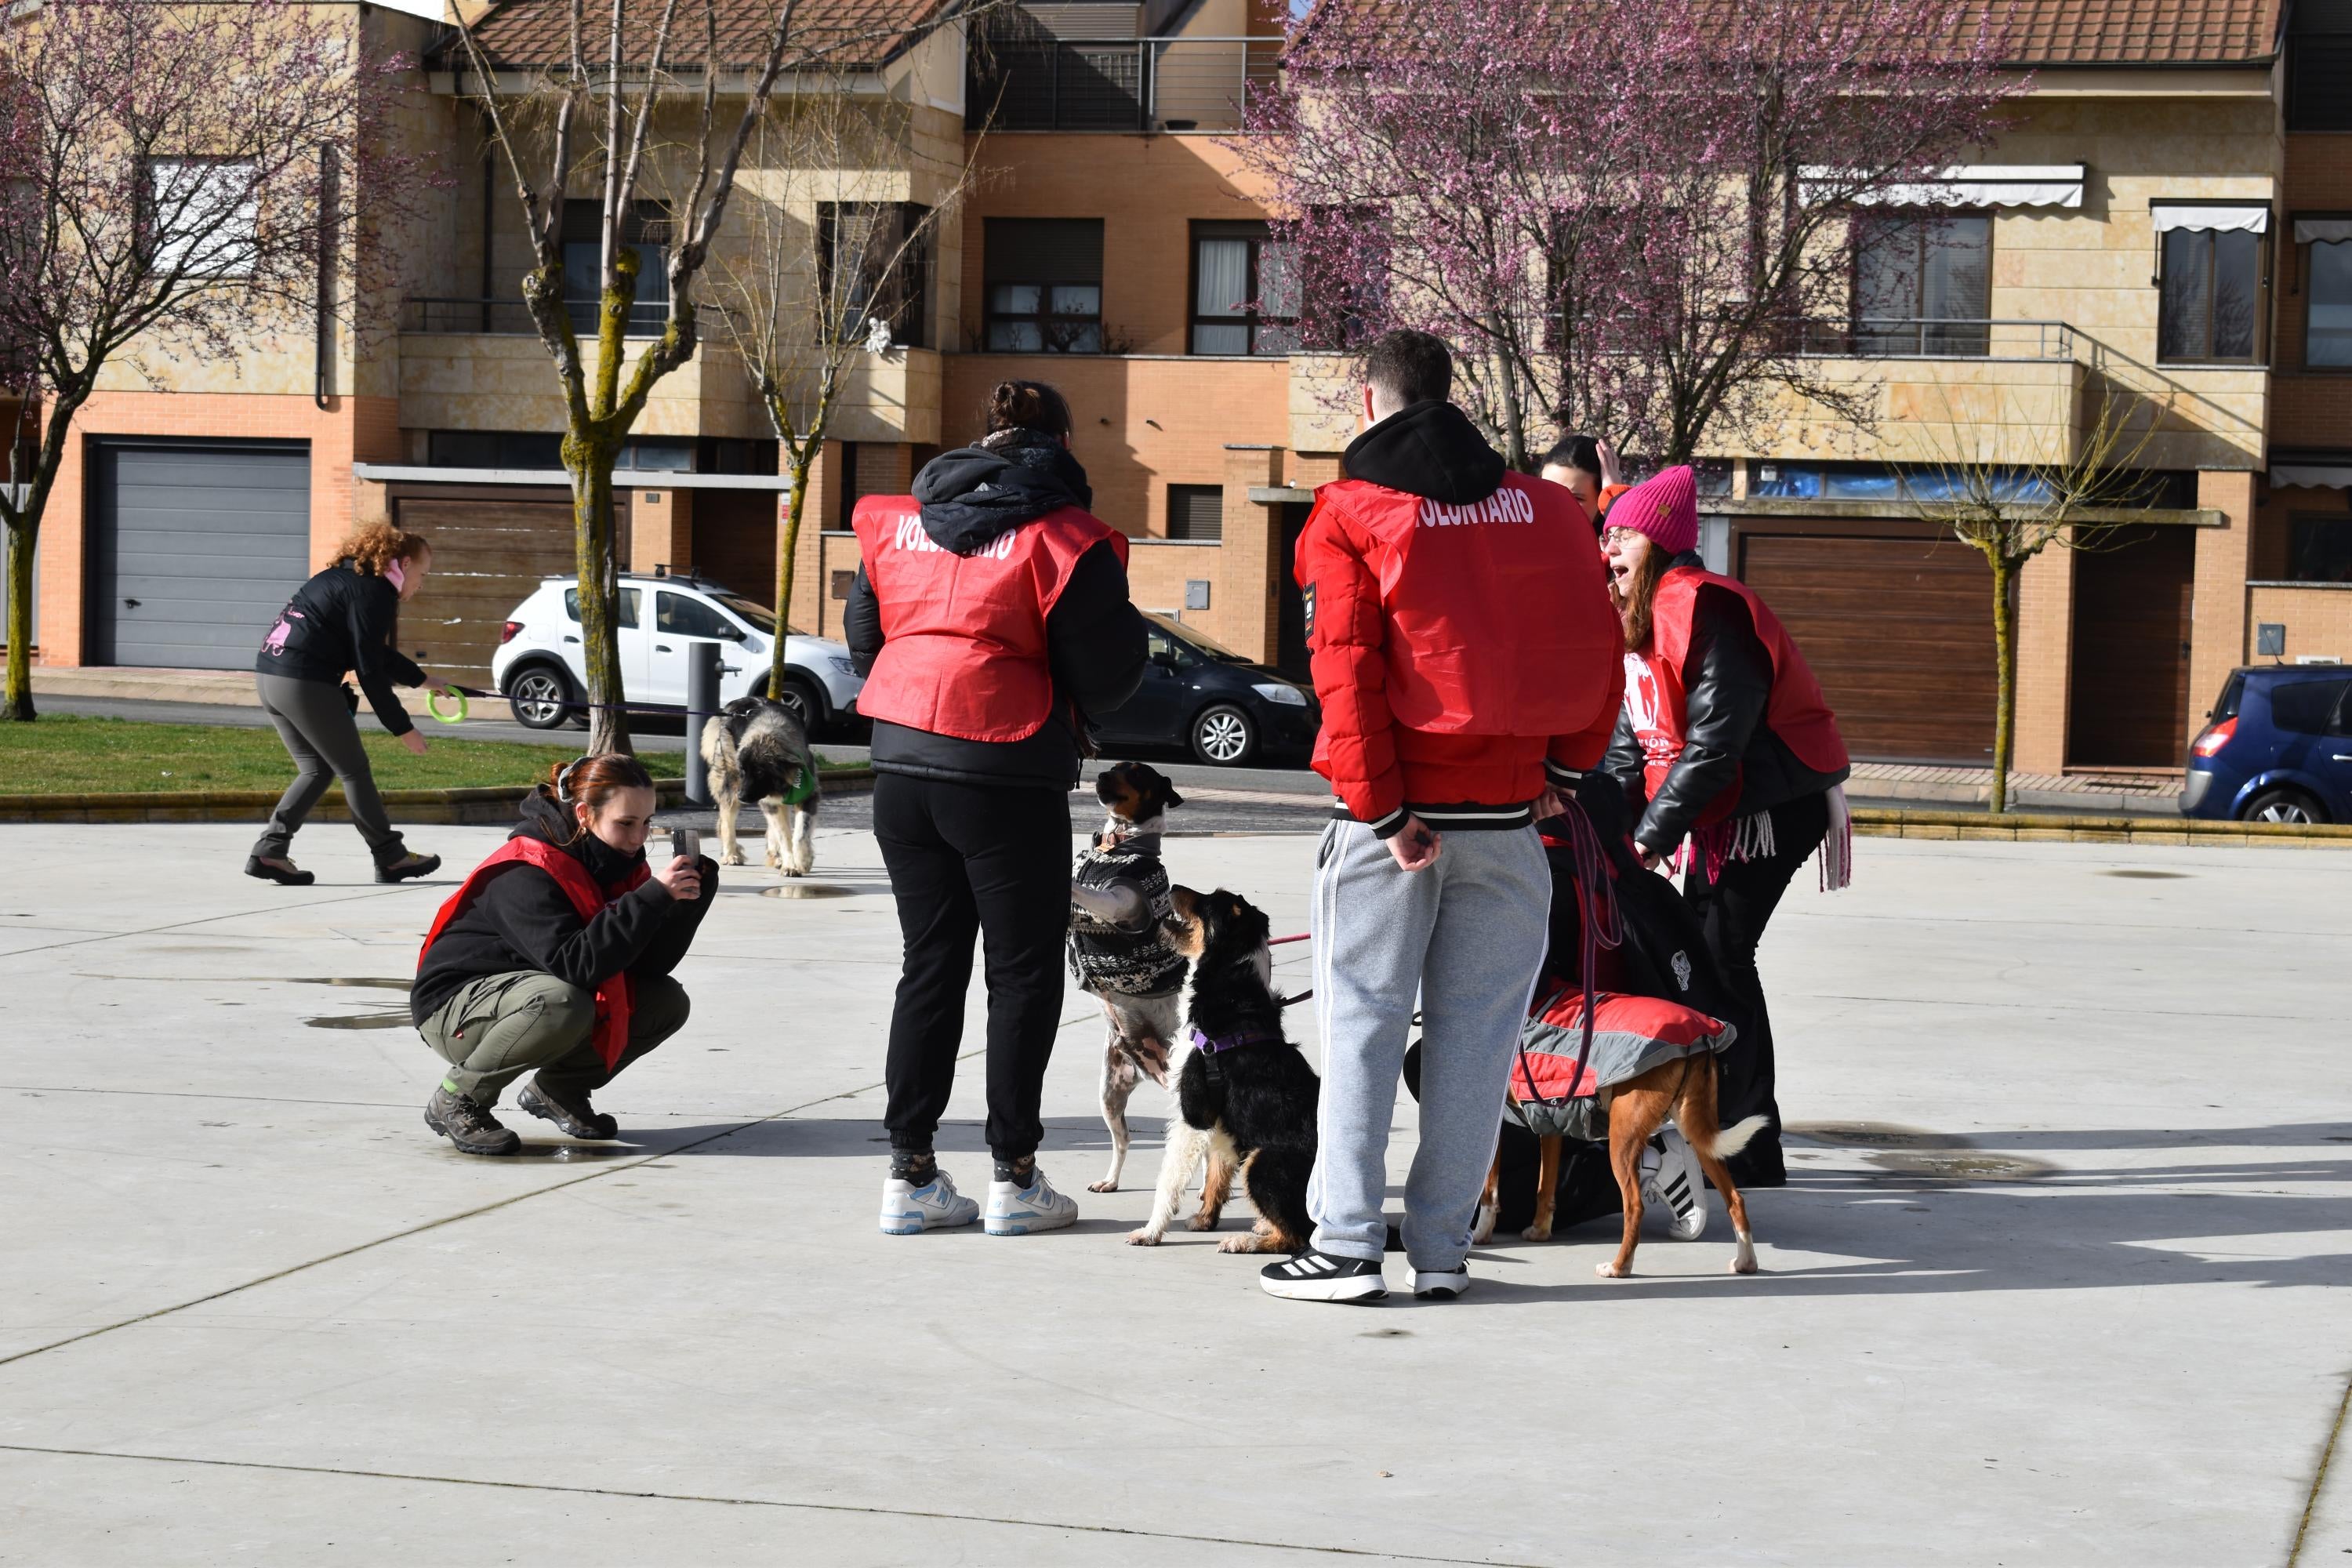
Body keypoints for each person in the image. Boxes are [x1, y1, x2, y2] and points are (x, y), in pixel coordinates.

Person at [1262, 328, 1624, 1304]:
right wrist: (1569, 771)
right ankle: (1442, 1251)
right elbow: (1602, 645)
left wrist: (1383, 813)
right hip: (1510, 816)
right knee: (1475, 1039)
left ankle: (1343, 1245)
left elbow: (1342, 670)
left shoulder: (1350, 511)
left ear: (1368, 403)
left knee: (1363, 1026)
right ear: (1450, 396)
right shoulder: (1551, 510)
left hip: (1398, 821)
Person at [844, 379, 1148, 1238]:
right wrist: (1081, 715)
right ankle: (1014, 1175)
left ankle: (910, 1176)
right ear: (1059, 441)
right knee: (1019, 974)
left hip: (902, 761)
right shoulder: (1063, 534)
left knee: (929, 962)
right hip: (1004, 758)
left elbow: (868, 639)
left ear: (983, 438)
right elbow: (1109, 667)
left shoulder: (898, 521)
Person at [1598, 464, 1853, 1187]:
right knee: (1697, 957)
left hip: (1769, 809)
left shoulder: (1715, 610)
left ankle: (1751, 1146)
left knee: (1718, 958)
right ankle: (1726, 1134)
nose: (1609, 549)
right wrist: (1610, 835)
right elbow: (1629, 746)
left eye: (1624, 535)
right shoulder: (1634, 619)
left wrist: (1648, 841)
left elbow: (1715, 750)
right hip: (1716, 813)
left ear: (1663, 542)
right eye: (1606, 535)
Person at [411, 754, 714, 1156]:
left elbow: (646, 966)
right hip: (455, 1009)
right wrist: (651, 898)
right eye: (625, 823)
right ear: (586, 814)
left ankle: (559, 1088)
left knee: (664, 1001)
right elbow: (577, 964)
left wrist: (683, 906)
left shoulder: (614, 863)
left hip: (527, 996)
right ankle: (458, 1097)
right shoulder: (525, 869)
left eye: (646, 823)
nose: (638, 838)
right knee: (562, 1001)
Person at [248, 521, 445, 886]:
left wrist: (422, 679)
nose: (422, 583)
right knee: (354, 770)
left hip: (271, 677)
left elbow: (368, 650)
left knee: (318, 769)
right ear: (402, 563)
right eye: (423, 573)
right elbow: (369, 671)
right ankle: (391, 856)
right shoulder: (374, 594)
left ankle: (270, 852)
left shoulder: (344, 579)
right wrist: (404, 728)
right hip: (304, 682)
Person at [1539, 433, 1631, 535]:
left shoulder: (1611, 549)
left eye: (1576, 498)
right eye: (1547, 493)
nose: (1555, 506)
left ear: (1601, 503)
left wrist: (1615, 501)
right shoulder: (1521, 537)